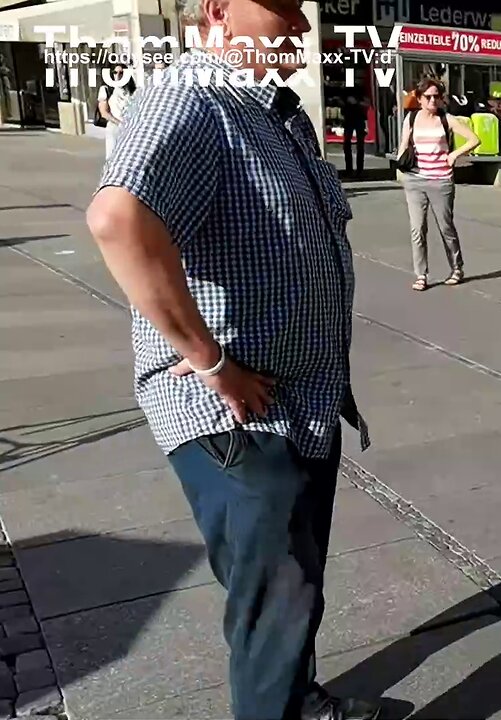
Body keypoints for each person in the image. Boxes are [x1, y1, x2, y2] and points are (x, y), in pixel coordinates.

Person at [83, 0, 378, 716]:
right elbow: (118, 221)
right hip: (240, 414)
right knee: (274, 600)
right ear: (219, 10)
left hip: (298, 402)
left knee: (291, 585)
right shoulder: (194, 96)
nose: (304, 29)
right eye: (281, 10)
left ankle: (299, 699)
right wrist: (209, 360)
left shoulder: (270, 109)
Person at [398, 77, 481, 290]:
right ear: (419, 98)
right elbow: (404, 144)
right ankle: (421, 275)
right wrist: (401, 170)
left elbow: (474, 139)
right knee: (417, 229)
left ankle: (456, 268)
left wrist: (454, 155)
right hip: (415, 180)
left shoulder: (447, 119)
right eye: (428, 97)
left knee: (446, 227)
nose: (433, 101)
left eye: (437, 96)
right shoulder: (411, 118)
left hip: (441, 181)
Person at [97, 65, 135, 158]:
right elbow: (104, 112)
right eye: (115, 72)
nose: (118, 75)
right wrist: (119, 123)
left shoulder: (130, 89)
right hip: (115, 128)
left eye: (121, 73)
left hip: (130, 128)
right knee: (112, 156)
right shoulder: (106, 88)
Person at [342, 90, 369, 175]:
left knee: (354, 145)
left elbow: (366, 103)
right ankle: (353, 169)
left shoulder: (352, 91)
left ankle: (354, 169)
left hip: (355, 119)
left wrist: (356, 102)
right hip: (354, 119)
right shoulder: (348, 91)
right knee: (353, 145)